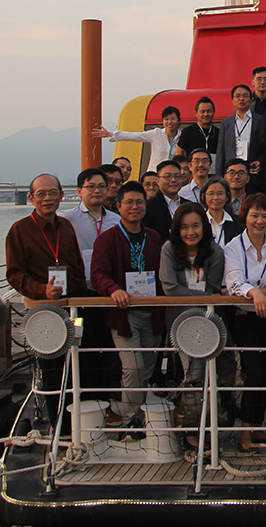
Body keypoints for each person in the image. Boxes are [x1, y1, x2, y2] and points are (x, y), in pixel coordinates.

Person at [4, 174, 89, 422]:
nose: (47, 198)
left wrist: (83, 299)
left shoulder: (66, 226)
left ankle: (81, 420)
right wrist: (42, 290)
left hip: (74, 308)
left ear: (61, 196)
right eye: (41, 194)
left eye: (53, 193)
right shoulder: (20, 230)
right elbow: (14, 274)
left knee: (79, 360)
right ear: (31, 198)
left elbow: (76, 266)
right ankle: (58, 425)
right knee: (52, 368)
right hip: (44, 310)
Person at [91, 182, 166, 426]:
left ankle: (140, 414)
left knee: (147, 367)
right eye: (129, 203)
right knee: (132, 367)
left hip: (152, 312)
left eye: (140, 202)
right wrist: (113, 289)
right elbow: (98, 274)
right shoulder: (107, 239)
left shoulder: (153, 237)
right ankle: (131, 419)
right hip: (124, 314)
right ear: (118, 206)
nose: (135, 207)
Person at [223, 194, 266, 452]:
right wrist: (254, 293)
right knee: (254, 371)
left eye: (265, 215)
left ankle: (258, 427)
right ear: (245, 217)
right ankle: (245, 432)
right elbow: (234, 282)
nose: (259, 221)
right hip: (243, 316)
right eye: (254, 215)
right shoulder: (233, 247)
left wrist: (265, 291)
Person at [58, 168, 123, 404]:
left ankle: (109, 401)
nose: (97, 191)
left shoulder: (116, 220)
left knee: (110, 347)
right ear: (79, 191)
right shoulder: (66, 219)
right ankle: (83, 400)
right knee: (81, 345)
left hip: (108, 295)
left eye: (101, 186)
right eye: (91, 186)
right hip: (80, 295)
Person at [159, 202, 226, 371]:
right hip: (177, 318)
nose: (190, 232)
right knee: (185, 369)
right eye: (184, 227)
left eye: (196, 226)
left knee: (202, 370)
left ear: (204, 226)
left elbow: (212, 288)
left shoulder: (215, 251)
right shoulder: (169, 249)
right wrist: (206, 297)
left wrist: (207, 297)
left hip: (206, 319)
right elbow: (170, 288)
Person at [93, 106, 183, 173]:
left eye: (173, 119)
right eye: (166, 119)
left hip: (172, 176)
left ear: (179, 120)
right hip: (154, 175)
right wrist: (109, 134)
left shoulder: (182, 137)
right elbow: (134, 136)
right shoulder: (156, 133)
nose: (169, 122)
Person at [215, 85, 262, 191]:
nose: (241, 99)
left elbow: (264, 146)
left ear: (251, 99)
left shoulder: (260, 120)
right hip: (231, 174)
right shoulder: (226, 123)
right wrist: (219, 176)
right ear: (233, 100)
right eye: (238, 96)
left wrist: (260, 161)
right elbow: (221, 151)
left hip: (252, 171)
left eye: (245, 96)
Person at [144, 159, 186, 241]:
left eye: (177, 176)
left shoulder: (188, 205)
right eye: (167, 176)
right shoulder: (148, 207)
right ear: (157, 181)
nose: (173, 180)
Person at [201, 177, 241, 245]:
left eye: (220, 193)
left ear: (227, 196)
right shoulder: (200, 221)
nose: (216, 197)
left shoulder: (238, 222)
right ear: (203, 196)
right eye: (211, 193)